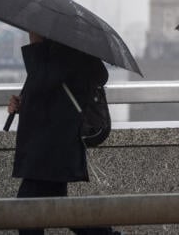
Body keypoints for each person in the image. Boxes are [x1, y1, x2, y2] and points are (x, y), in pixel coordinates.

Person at [6, 32, 117, 235]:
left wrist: (36, 45)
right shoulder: (57, 51)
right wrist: (23, 103)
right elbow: (48, 94)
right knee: (62, 211)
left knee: (27, 212)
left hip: (51, 149)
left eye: (32, 28)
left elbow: (43, 82)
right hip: (52, 147)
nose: (29, 32)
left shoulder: (66, 51)